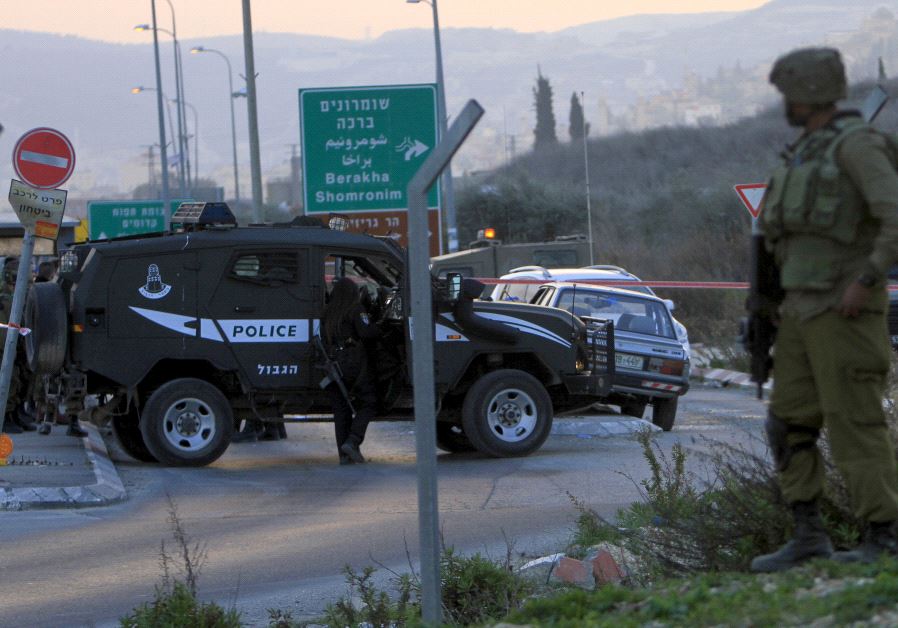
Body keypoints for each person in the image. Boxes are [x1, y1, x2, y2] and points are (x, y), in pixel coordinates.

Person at [750, 47, 898, 572]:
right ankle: (809, 536)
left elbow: (894, 216)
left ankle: (884, 537)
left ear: (809, 92)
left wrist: (867, 279)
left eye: (790, 93)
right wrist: (767, 307)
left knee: (855, 422)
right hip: (799, 312)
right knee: (787, 423)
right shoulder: (802, 153)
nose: (785, 104)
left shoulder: (857, 146)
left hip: (845, 310)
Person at [320, 277, 379, 464]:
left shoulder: (327, 311)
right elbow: (367, 333)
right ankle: (353, 441)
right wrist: (377, 327)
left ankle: (344, 456)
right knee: (369, 401)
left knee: (341, 410)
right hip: (352, 362)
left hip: (332, 364)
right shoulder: (355, 309)